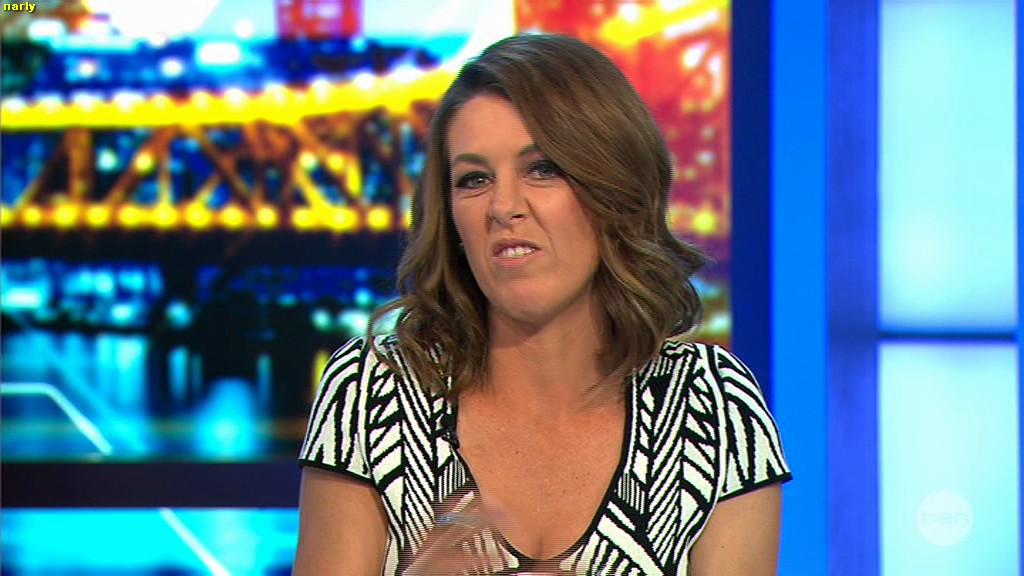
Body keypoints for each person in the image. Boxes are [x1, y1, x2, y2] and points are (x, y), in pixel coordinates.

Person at [293, 33, 791, 576]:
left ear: (613, 188)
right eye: (474, 179)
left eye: (543, 169)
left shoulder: (710, 405)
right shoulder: (375, 391)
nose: (503, 206)